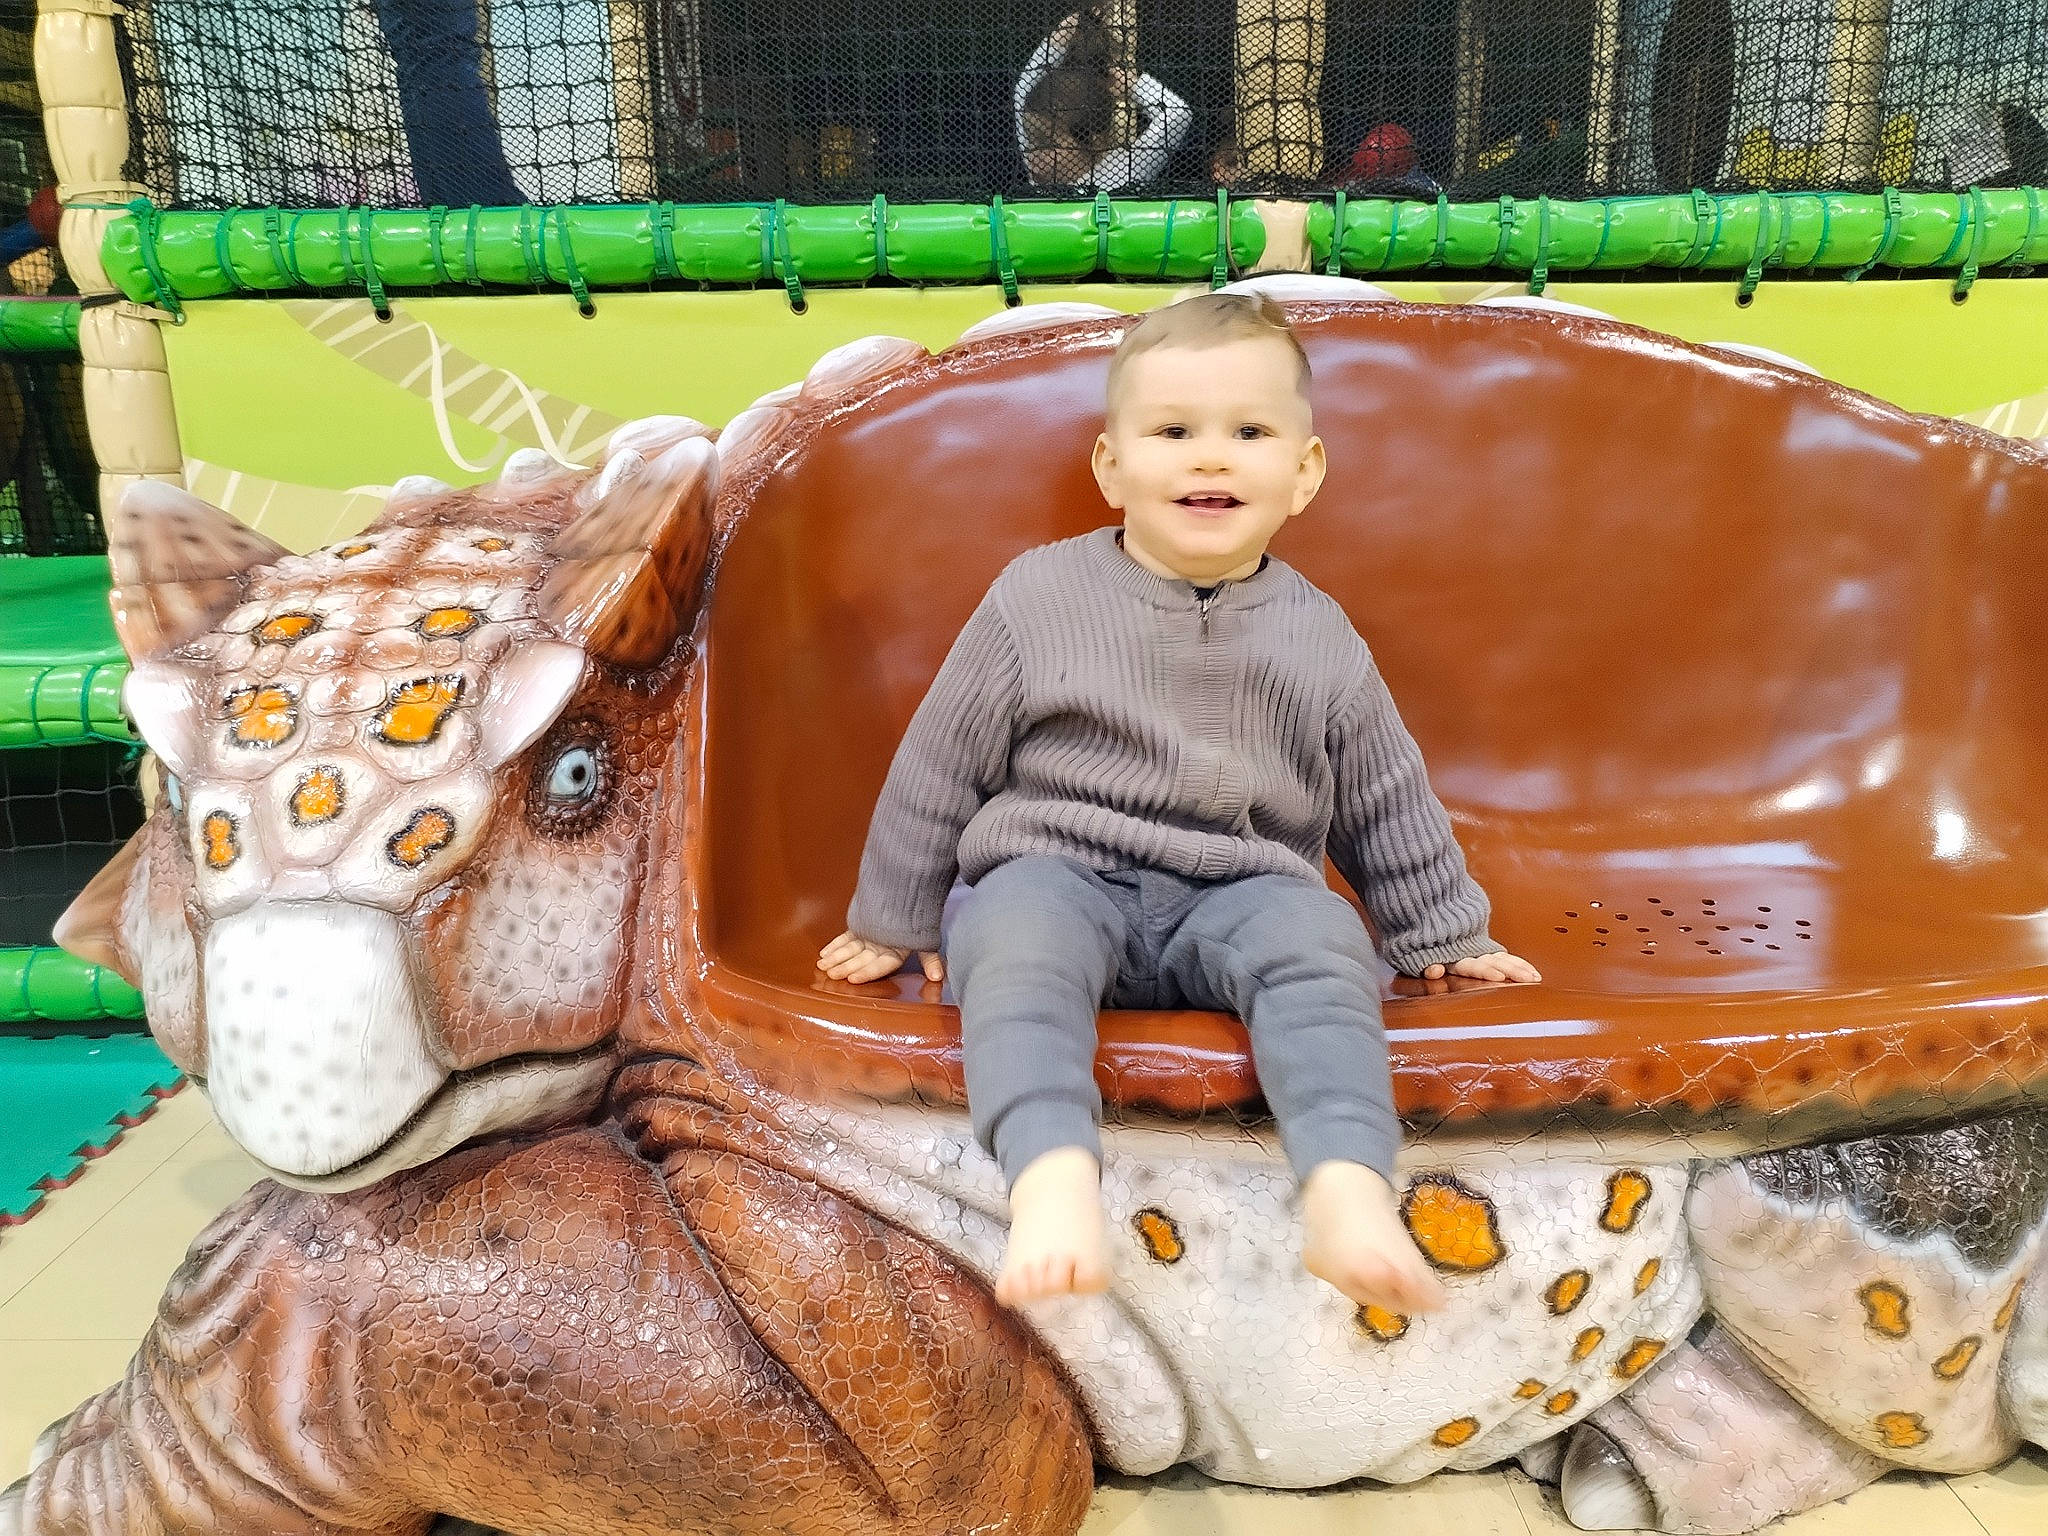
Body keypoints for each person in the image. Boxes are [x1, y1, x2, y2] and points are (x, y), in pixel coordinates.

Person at [819, 293, 1540, 1313]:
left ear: (1302, 473)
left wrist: (1441, 935)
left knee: (1323, 946)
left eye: (1247, 434)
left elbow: (1384, 791)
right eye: (1171, 433)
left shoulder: (1317, 633)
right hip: (1058, 872)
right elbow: (939, 765)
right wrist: (888, 919)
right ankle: (1050, 1178)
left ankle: (1345, 1188)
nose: (1209, 459)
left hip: (1239, 888)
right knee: (1012, 944)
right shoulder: (1034, 598)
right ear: (1111, 468)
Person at [1015, 8, 1192, 190]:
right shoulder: (1037, 185)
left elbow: (1177, 115)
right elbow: (1021, 94)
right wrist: (1070, 26)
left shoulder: (1112, 178)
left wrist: (1133, 85)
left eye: (1048, 144)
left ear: (1093, 143)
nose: (1032, 158)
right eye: (1033, 143)